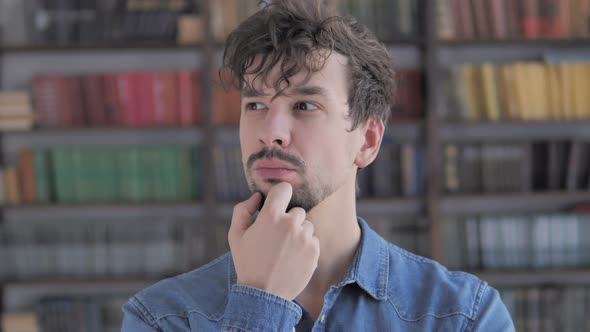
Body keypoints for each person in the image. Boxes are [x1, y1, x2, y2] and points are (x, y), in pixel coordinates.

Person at [121, 0, 515, 330]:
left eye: (305, 106)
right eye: (255, 105)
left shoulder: (463, 316)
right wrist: (261, 301)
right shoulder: (161, 317)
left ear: (368, 140)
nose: (271, 133)